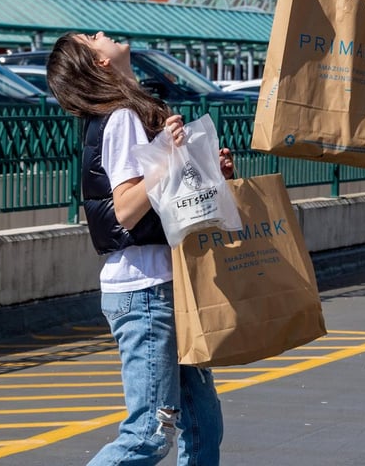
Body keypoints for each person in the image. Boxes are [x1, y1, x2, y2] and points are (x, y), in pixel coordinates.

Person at [46, 31, 230, 466]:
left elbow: (163, 198)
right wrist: (168, 153)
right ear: (99, 63)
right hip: (145, 291)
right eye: (92, 39)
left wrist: (205, 169)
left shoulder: (130, 112)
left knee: (203, 424)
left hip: (162, 284)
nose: (102, 35)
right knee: (149, 432)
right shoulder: (122, 116)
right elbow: (127, 207)